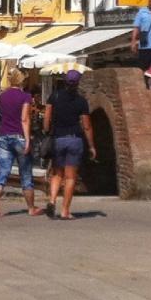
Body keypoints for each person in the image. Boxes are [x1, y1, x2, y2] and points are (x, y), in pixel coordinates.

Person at [0, 69, 41, 217]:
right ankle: (31, 208)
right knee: (26, 174)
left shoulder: (2, 97)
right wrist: (28, 139)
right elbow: (24, 119)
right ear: (22, 81)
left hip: (3, 136)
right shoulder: (26, 97)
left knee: (2, 172)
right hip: (19, 136)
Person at [44, 69, 96, 220]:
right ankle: (65, 211)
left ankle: (52, 200)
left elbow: (47, 118)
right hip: (74, 139)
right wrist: (92, 146)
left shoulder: (55, 96)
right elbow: (86, 126)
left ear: (65, 81)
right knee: (71, 177)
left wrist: (47, 131)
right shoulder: (81, 101)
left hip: (58, 138)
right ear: (78, 83)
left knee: (57, 173)